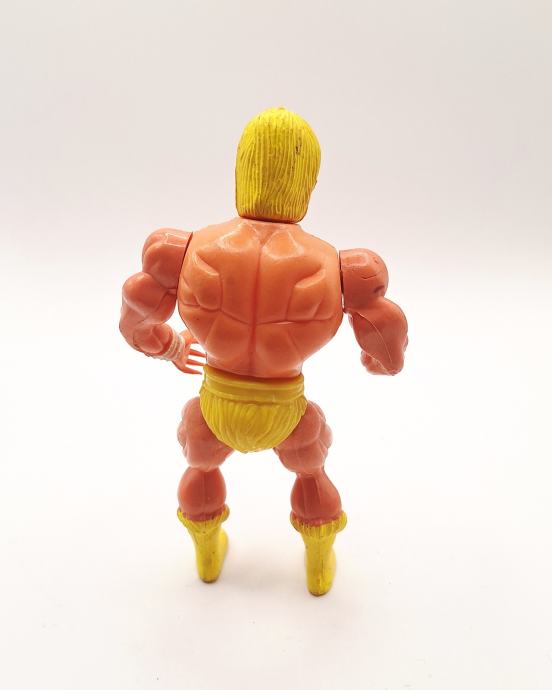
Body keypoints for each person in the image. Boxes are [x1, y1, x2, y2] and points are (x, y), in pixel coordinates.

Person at [119, 107, 408, 595]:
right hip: (286, 411)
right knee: (312, 475)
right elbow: (388, 346)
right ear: (308, 181)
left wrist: (170, 346)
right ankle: (319, 562)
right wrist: (375, 361)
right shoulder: (338, 266)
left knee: (200, 468)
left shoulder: (186, 250)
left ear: (241, 169)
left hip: (214, 407)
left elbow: (135, 318)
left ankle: (207, 556)